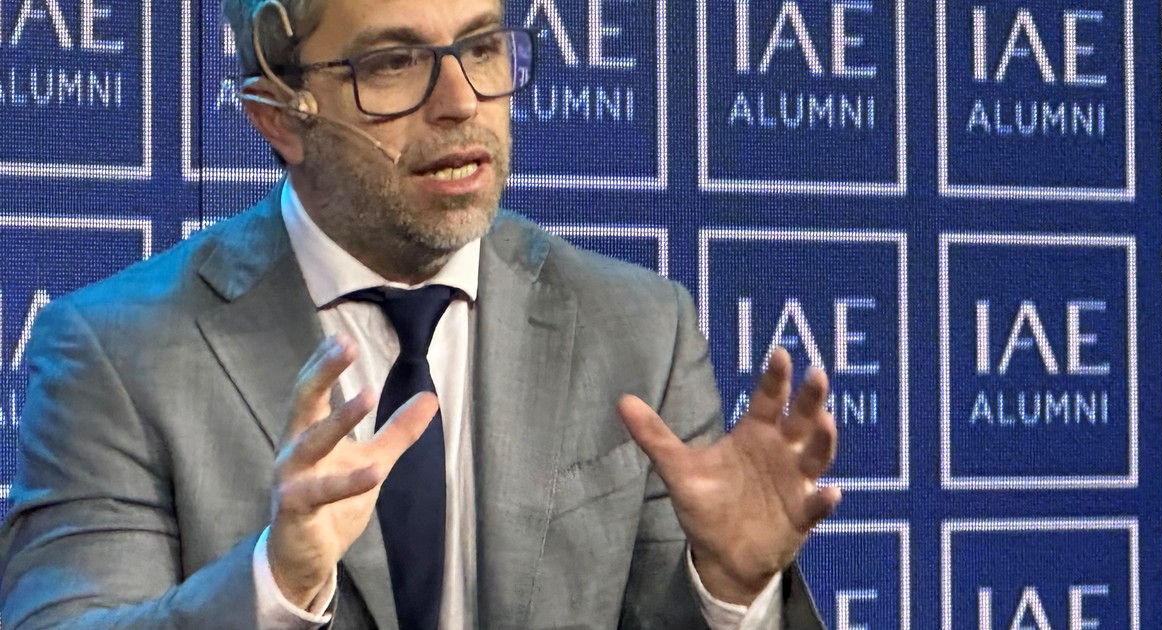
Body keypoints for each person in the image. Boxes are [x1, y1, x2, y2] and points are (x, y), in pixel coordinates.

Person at [0, 0, 841, 627]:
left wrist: (729, 591)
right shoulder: (118, 351)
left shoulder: (641, 328)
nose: (461, 100)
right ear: (278, 118)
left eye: (482, 47)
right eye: (394, 63)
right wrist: (274, 585)